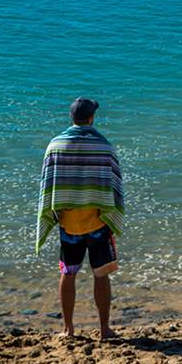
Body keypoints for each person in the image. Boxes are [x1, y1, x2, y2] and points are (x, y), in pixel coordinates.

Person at [37, 97, 124, 340]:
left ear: (71, 117)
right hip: (97, 221)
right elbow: (114, 183)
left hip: (69, 223)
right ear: (91, 118)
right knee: (101, 273)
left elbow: (48, 184)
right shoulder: (104, 146)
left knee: (68, 272)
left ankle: (68, 329)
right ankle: (104, 329)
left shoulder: (56, 145)